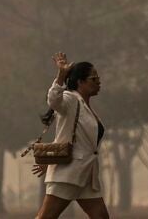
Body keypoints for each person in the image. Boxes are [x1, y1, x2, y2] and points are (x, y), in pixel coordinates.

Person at [32, 52, 109, 219]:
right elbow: (53, 100)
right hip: (69, 173)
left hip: (87, 175)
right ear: (80, 82)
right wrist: (61, 75)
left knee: (101, 217)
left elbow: (73, 139)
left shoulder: (86, 106)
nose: (98, 82)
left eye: (98, 78)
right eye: (93, 79)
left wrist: (51, 162)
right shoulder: (70, 99)